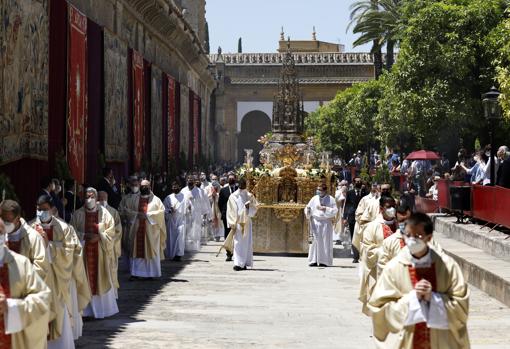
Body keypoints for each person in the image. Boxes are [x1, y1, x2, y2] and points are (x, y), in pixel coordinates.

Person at [368, 213, 470, 349]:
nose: (412, 240)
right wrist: (412, 299)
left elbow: (461, 308)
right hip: (407, 340)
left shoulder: (447, 266)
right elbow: (379, 309)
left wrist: (433, 298)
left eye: (418, 236)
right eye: (408, 235)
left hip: (441, 340)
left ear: (429, 237)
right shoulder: (394, 268)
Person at [0, 200, 65, 345]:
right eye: (2, 220)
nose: (4, 224)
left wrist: (18, 278)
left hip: (21, 299)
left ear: (17, 218)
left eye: (8, 220)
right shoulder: (3, 235)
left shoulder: (33, 237)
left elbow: (41, 267)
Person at [33, 194, 89, 343]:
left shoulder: (65, 228)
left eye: (45, 209)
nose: (41, 212)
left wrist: (49, 245)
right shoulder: (30, 228)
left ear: (52, 209)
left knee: (60, 312)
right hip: (38, 280)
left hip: (59, 280)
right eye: (39, 209)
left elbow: (70, 252)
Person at [0, 218, 52, 349]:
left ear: (4, 236)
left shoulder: (21, 264)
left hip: (13, 340)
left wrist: (11, 307)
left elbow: (43, 298)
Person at [69, 188, 118, 319]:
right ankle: (86, 311)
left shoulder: (105, 214)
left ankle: (103, 310)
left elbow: (111, 232)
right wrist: (84, 235)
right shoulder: (77, 214)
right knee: (85, 278)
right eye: (86, 196)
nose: (88, 199)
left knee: (100, 277)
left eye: (91, 196)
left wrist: (100, 237)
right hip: (83, 252)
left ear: (96, 198)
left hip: (100, 252)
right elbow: (71, 233)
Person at [359, 195, 397, 316]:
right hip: (379, 270)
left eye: (394, 206)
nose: (392, 209)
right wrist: (383, 252)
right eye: (388, 207)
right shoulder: (373, 226)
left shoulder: (401, 225)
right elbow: (367, 248)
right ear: (381, 209)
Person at [121, 180, 166, 279]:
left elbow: (161, 212)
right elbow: (126, 210)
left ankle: (151, 273)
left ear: (150, 187)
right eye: (142, 186)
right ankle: (136, 273)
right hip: (136, 230)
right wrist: (137, 214)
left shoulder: (156, 200)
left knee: (150, 250)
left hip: (151, 232)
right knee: (136, 250)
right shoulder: (133, 199)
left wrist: (148, 216)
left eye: (146, 186)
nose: (144, 188)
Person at [226, 178, 258, 271]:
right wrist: (232, 223)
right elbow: (230, 211)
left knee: (246, 243)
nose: (242, 185)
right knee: (238, 243)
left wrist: (249, 207)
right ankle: (237, 263)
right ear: (238, 184)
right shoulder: (233, 196)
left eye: (244, 184)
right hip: (238, 223)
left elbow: (255, 208)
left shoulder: (250, 196)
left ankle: (244, 263)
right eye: (240, 184)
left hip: (247, 222)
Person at [305, 183, 338, 267]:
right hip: (315, 222)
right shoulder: (314, 198)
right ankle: (313, 260)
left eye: (320, 190)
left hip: (325, 222)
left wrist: (325, 208)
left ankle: (324, 261)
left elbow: (335, 210)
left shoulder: (331, 199)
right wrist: (308, 210)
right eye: (318, 189)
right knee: (315, 241)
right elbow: (308, 207)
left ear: (325, 191)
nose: (318, 191)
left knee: (325, 241)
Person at [98, 191, 123, 298]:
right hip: (96, 248)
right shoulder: (87, 212)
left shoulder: (113, 212)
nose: (101, 200)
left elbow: (118, 229)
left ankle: (111, 295)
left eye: (103, 198)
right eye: (99, 198)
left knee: (110, 270)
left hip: (109, 246)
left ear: (107, 198)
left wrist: (106, 239)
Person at [181, 176, 209, 252]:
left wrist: (204, 214)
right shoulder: (183, 190)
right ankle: (185, 247)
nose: (190, 181)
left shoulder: (199, 191)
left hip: (196, 213)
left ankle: (194, 247)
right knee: (187, 229)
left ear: (194, 181)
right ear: (187, 181)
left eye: (191, 180)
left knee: (195, 230)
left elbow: (203, 202)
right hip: (186, 213)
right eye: (188, 180)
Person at [163, 182, 189, 261]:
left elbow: (188, 208)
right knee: (171, 238)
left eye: (176, 187)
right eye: (173, 187)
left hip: (181, 220)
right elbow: (163, 209)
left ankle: (178, 254)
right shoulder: (168, 198)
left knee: (180, 238)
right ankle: (172, 254)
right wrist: (169, 210)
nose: (174, 188)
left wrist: (189, 209)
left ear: (179, 187)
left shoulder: (184, 197)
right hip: (171, 221)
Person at [218, 174, 238, 261]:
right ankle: (229, 253)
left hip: (237, 215)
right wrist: (223, 212)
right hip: (227, 215)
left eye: (232, 178)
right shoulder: (223, 190)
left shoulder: (238, 190)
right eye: (229, 179)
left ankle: (237, 252)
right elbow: (220, 203)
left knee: (237, 233)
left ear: (235, 179)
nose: (231, 180)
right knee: (227, 233)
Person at [333, 180, 348, 244]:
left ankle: (345, 238)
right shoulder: (338, 192)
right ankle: (338, 238)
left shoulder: (349, 192)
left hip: (346, 210)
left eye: (345, 185)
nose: (344, 186)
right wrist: (342, 192)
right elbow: (337, 198)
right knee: (339, 224)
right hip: (339, 210)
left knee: (346, 225)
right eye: (343, 185)